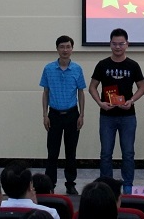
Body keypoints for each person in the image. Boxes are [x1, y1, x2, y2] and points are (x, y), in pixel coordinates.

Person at [88, 27, 144, 194]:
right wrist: (100, 103)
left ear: (127, 44)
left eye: (121, 44)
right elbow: (92, 87)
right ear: (110, 44)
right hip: (107, 116)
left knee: (128, 153)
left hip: (128, 116)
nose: (118, 47)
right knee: (106, 153)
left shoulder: (133, 65)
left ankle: (128, 185)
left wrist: (131, 100)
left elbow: (142, 88)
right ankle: (106, 185)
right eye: (114, 44)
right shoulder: (102, 64)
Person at [40, 34, 86, 195]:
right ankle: (50, 184)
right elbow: (45, 92)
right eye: (62, 47)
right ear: (57, 49)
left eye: (68, 47)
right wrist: (45, 115)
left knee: (71, 151)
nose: (65, 50)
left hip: (72, 114)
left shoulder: (77, 69)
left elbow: (81, 93)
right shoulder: (48, 69)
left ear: (72, 49)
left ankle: (70, 183)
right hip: (54, 115)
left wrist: (82, 115)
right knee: (52, 151)